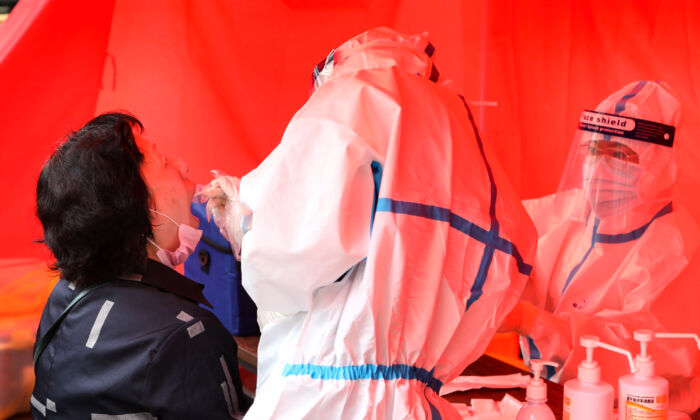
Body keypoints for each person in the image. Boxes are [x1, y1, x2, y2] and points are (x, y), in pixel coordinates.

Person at [204, 27, 537, 419]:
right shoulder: (458, 127)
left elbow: (285, 252)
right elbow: (509, 258)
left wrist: (241, 215)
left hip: (325, 393)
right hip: (415, 398)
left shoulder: (351, 97)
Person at [32, 113, 248, 419]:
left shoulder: (64, 295)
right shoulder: (185, 335)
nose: (183, 165)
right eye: (165, 163)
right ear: (149, 211)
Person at [500, 81, 700, 412]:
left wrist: (530, 320)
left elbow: (646, 351)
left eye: (620, 155)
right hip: (554, 397)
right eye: (593, 150)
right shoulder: (572, 214)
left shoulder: (678, 250)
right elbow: (504, 230)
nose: (597, 170)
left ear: (658, 166)